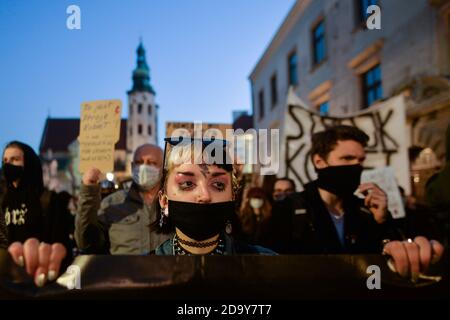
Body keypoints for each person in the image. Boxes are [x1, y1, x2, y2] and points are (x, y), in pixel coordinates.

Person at [273, 125, 444, 279]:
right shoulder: (289, 208)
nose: (356, 166)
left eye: (361, 160)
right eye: (347, 158)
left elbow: (384, 266)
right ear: (319, 161)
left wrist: (382, 222)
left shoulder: (367, 209)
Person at [152, 137, 276, 255]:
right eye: (187, 183)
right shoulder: (140, 269)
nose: (205, 196)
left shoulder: (269, 264)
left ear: (232, 197)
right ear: (164, 201)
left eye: (218, 184)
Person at [75, 143, 171, 255]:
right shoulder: (113, 202)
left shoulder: (173, 203)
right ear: (132, 166)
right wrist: (88, 191)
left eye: (151, 163)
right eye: (139, 162)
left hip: (165, 271)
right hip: (122, 271)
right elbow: (86, 243)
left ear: (163, 168)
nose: (144, 167)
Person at [1, 141, 71, 247]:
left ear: (29, 163)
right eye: (5, 160)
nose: (8, 164)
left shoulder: (48, 200)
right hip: (8, 262)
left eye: (15, 159)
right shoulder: (3, 201)